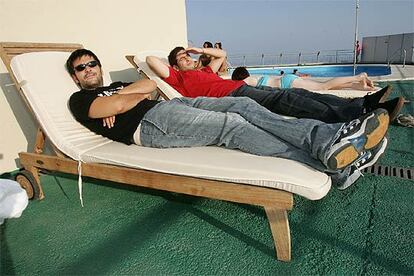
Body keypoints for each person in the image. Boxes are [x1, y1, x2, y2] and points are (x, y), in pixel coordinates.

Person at [67, 49, 389, 190]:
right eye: (82, 68)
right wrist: (123, 102)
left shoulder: (115, 88)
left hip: (168, 107)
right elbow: (120, 105)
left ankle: (330, 140)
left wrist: (126, 98)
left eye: (93, 62)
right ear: (76, 77)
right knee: (233, 128)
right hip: (150, 125)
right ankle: (334, 161)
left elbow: (150, 85)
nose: (91, 69)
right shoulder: (80, 100)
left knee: (244, 108)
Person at [146, 46, 405, 123]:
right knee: (289, 101)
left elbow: (222, 56)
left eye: (189, 56)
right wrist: (177, 60)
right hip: (237, 97)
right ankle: (357, 113)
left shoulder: (204, 69)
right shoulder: (178, 78)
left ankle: (363, 101)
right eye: (183, 58)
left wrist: (194, 49)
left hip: (243, 90)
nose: (189, 59)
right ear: (174, 66)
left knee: (296, 92)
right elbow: (150, 60)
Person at [232, 66, 378, 91]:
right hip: (287, 79)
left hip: (286, 83)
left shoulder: (247, 82)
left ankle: (359, 77)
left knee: (323, 86)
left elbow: (234, 85)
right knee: (325, 87)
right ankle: (357, 86)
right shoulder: (255, 77)